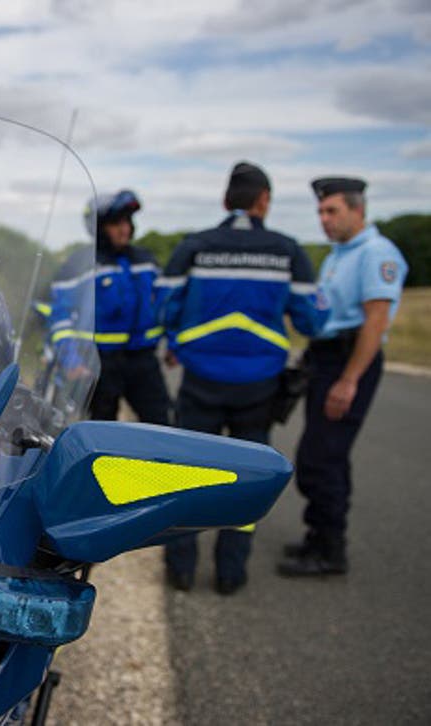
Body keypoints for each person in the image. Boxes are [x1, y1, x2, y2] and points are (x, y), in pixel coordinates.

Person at [158, 161, 326, 595]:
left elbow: (164, 308)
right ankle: (230, 575)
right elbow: (311, 321)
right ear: (263, 201)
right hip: (259, 387)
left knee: (189, 475)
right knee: (249, 479)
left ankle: (180, 569)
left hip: (200, 383)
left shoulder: (194, 246)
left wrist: (177, 342)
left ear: (224, 201)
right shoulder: (287, 250)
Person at [277, 177, 408, 578]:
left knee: (322, 458)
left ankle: (330, 550)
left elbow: (375, 322)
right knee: (324, 454)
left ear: (357, 210)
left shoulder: (376, 253)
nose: (324, 219)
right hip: (326, 358)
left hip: (348, 362)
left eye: (331, 211)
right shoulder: (338, 255)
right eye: (320, 211)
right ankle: (320, 536)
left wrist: (349, 380)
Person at [48, 190, 170, 425]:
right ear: (99, 227)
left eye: (128, 221)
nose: (125, 229)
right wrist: (71, 360)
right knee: (102, 431)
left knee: (163, 426)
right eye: (116, 223)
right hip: (99, 363)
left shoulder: (147, 261)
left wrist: (174, 344)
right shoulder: (78, 265)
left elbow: (167, 306)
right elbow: (59, 318)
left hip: (143, 361)